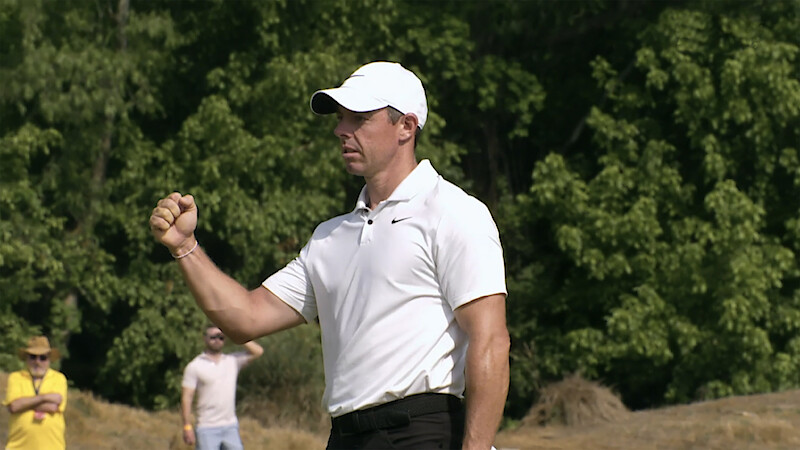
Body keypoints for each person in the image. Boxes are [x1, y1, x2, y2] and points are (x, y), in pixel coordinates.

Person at [150, 61, 510, 450]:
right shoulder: (329, 237)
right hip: (344, 437)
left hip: (423, 432)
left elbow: (490, 342)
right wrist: (185, 247)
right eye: (341, 119)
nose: (341, 130)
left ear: (406, 126)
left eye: (359, 118)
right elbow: (246, 318)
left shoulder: (453, 212)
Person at [181, 324, 263, 449]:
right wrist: (187, 426)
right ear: (205, 339)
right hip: (206, 428)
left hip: (230, 426)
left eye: (221, 337)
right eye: (213, 337)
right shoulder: (195, 366)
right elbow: (187, 398)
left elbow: (258, 352)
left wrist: (235, 335)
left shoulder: (232, 360)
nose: (217, 340)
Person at [3, 336, 68, 450]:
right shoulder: (16, 377)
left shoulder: (59, 378)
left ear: (49, 360)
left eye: (42, 358)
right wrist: (45, 398)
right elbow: (14, 406)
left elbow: (54, 406)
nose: (37, 362)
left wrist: (25, 403)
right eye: (33, 357)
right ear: (27, 358)